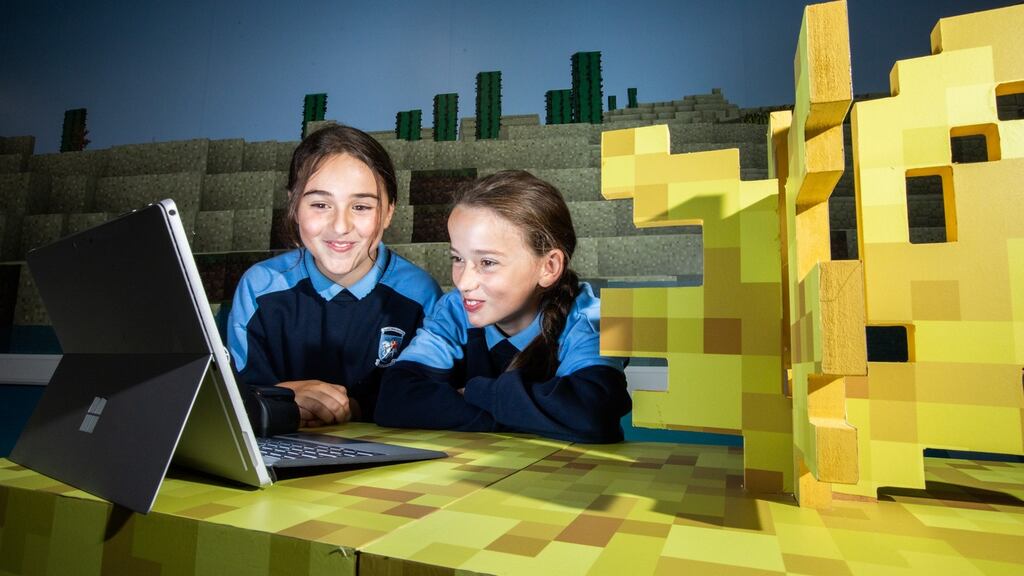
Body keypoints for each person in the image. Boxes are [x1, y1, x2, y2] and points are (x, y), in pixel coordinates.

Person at [375, 170, 631, 443]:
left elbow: (592, 414)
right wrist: (530, 418)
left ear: (549, 266)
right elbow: (395, 398)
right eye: (457, 258)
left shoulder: (592, 320)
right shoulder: (454, 310)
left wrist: (475, 392)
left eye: (487, 262)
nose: (463, 283)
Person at [228, 124, 442, 436]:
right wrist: (282, 399)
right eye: (319, 204)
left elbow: (430, 397)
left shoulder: (420, 296)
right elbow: (232, 397)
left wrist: (351, 408)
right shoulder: (259, 287)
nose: (340, 226)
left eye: (361, 206)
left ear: (388, 213)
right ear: (294, 206)